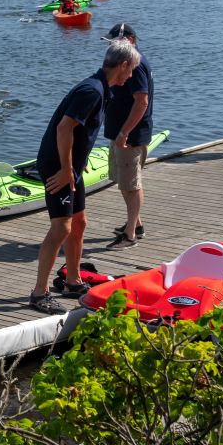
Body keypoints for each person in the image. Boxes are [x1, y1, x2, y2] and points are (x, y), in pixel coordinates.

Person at [30, 40, 140, 314]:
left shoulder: (101, 89)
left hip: (71, 166)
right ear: (123, 65)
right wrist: (67, 169)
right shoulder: (91, 91)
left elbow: (80, 133)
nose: (131, 76)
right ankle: (39, 293)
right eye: (131, 70)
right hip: (58, 167)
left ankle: (73, 281)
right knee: (62, 227)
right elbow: (64, 129)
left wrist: (80, 161)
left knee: (79, 222)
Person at [101, 24, 154, 248]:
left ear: (131, 39)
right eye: (112, 44)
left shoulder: (136, 64)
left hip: (130, 135)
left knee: (131, 184)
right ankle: (135, 223)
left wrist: (125, 132)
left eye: (119, 42)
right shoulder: (129, 61)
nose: (114, 47)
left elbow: (142, 101)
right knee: (124, 181)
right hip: (120, 132)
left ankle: (131, 235)